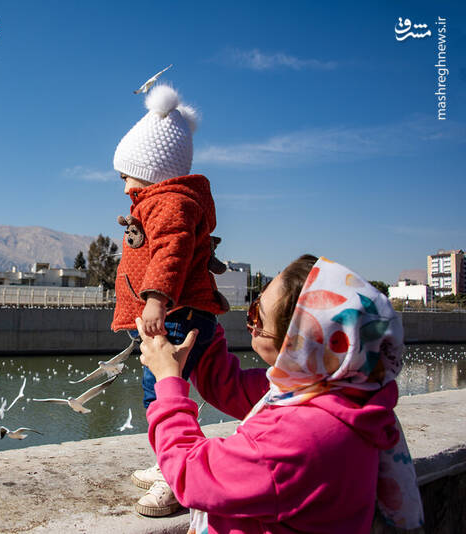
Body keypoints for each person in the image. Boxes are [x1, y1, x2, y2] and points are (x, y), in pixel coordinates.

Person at [136, 255, 424, 533]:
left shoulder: (302, 438)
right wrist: (200, 319)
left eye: (256, 314)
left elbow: (190, 474)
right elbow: (227, 385)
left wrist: (168, 380)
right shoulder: (337, 394)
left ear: (298, 341)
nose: (252, 323)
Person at [111, 84, 228, 516]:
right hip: (177, 312)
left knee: (162, 393)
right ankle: (168, 459)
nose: (124, 187)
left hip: (176, 315)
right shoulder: (162, 202)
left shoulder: (171, 204)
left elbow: (172, 253)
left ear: (153, 169)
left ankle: (177, 477)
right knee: (158, 392)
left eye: (127, 175)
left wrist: (156, 300)